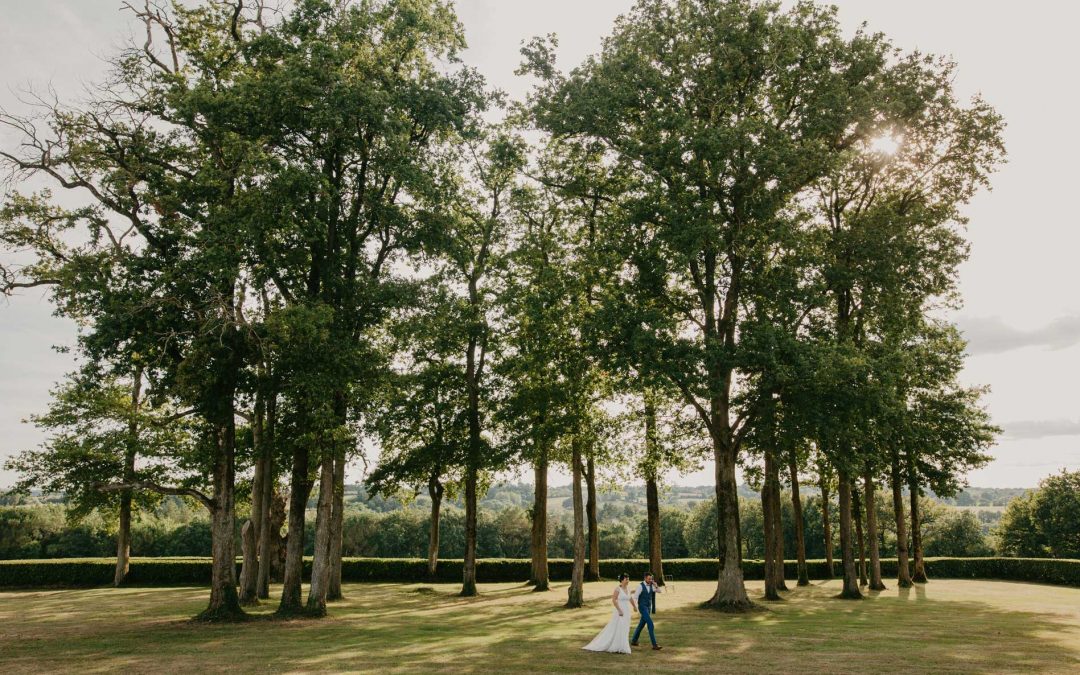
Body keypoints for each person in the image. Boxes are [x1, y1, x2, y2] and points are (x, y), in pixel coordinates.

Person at [582, 573, 636, 654]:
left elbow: (630, 598)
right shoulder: (618, 589)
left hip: (627, 611)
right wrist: (619, 610)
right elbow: (614, 600)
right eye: (626, 579)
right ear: (622, 580)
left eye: (628, 579)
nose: (628, 581)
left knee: (625, 627)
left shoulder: (628, 589)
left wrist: (634, 606)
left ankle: (623, 645)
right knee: (619, 627)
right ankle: (619, 646)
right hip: (620, 611)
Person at [631, 571, 663, 650]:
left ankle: (634, 640)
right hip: (642, 607)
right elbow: (635, 597)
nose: (650, 580)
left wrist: (656, 585)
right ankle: (654, 645)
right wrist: (634, 606)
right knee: (650, 624)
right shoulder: (640, 586)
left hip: (648, 608)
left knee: (641, 625)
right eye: (649, 579)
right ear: (645, 578)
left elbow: (659, 591)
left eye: (651, 579)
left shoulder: (652, 585)